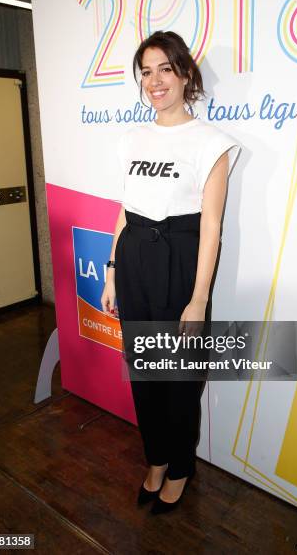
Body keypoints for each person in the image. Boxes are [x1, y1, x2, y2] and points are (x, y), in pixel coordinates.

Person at [101, 30, 240, 514]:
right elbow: (125, 210)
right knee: (144, 372)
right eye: (145, 71)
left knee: (179, 377)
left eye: (164, 69)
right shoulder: (131, 139)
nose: (154, 80)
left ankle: (180, 466)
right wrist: (113, 270)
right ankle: (156, 459)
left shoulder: (213, 142)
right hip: (135, 258)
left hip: (180, 261)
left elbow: (213, 226)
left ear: (184, 74)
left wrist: (199, 297)